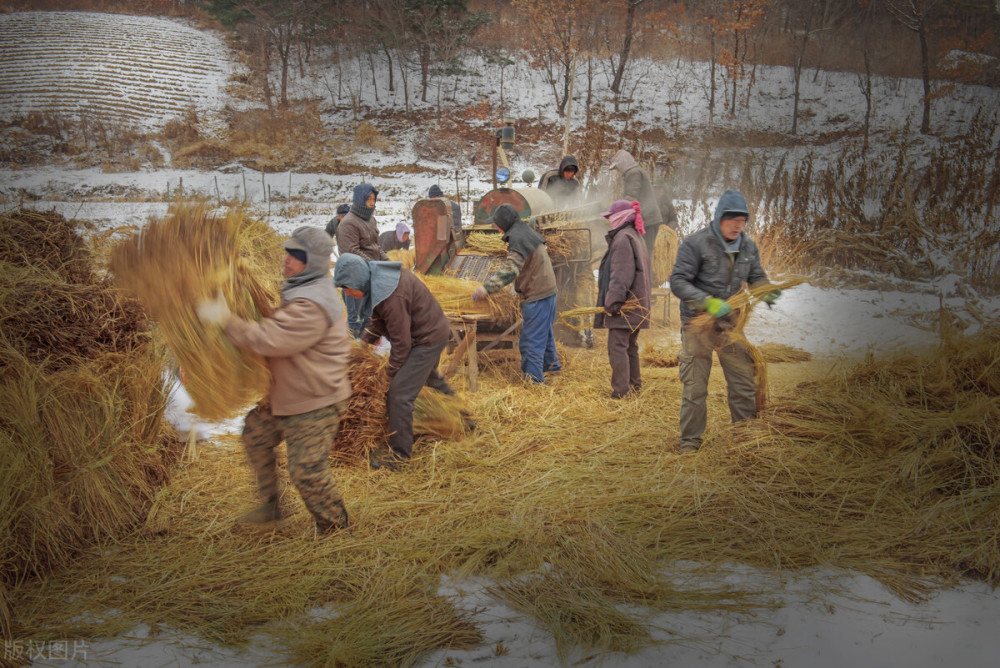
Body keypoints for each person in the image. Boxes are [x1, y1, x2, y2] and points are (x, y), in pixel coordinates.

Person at [195, 226, 352, 533]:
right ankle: (272, 507)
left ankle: (337, 530)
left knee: (306, 470)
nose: (287, 260)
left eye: (296, 256)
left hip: (313, 402)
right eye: (288, 253)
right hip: (289, 394)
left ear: (315, 262)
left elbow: (270, 339)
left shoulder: (312, 304)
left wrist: (225, 319)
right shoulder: (302, 289)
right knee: (255, 435)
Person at [669, 190, 781, 454]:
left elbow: (756, 277)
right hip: (698, 322)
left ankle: (744, 437)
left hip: (731, 326)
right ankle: (690, 441)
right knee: (695, 386)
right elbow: (678, 281)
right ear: (719, 217)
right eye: (732, 219)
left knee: (743, 382)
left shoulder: (748, 247)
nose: (737, 224)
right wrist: (706, 301)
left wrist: (766, 290)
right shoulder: (696, 244)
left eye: (742, 220)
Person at [333, 252, 455, 469]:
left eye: (347, 288)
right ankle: (463, 419)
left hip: (426, 339)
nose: (347, 294)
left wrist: (387, 374)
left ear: (357, 280)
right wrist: (365, 341)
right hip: (428, 332)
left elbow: (402, 345)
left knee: (399, 394)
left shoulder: (391, 296)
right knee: (430, 380)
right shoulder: (377, 281)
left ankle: (399, 455)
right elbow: (379, 318)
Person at [471, 203, 560, 384]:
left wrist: (486, 288)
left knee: (530, 341)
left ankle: (534, 382)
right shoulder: (525, 231)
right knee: (545, 333)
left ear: (504, 222)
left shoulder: (517, 238)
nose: (496, 229)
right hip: (548, 291)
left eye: (496, 224)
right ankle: (551, 368)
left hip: (538, 295)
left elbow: (511, 269)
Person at [594, 200, 652, 399]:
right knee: (630, 346)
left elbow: (620, 276)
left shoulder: (622, 239)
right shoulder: (634, 235)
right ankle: (634, 386)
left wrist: (613, 304)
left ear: (621, 217)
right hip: (636, 304)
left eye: (611, 217)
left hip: (626, 306)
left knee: (617, 347)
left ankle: (621, 391)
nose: (609, 220)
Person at [337, 183, 388, 338]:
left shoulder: (371, 220)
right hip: (355, 279)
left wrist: (387, 262)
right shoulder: (348, 224)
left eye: (374, 199)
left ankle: (365, 348)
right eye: (369, 199)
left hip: (370, 276)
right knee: (355, 319)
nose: (372, 203)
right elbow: (352, 252)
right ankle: (352, 352)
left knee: (369, 317)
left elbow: (375, 247)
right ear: (360, 200)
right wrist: (375, 266)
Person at [608, 149, 663, 259]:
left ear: (622, 163)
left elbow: (631, 198)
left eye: (617, 167)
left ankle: (646, 276)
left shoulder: (633, 173)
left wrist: (616, 212)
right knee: (643, 253)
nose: (618, 170)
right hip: (647, 219)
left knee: (643, 255)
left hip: (647, 220)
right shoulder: (635, 171)